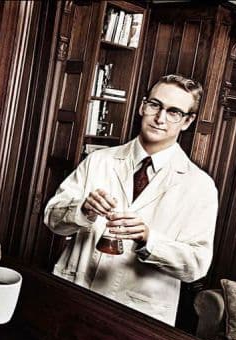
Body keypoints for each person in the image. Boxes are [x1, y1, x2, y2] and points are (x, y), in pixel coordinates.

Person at [44, 74, 218, 326]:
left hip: (139, 316)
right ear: (142, 106)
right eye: (155, 105)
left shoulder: (199, 186)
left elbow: (196, 266)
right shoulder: (99, 160)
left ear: (187, 121)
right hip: (75, 293)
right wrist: (82, 210)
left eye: (174, 112)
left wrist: (148, 239)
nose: (160, 118)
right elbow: (52, 219)